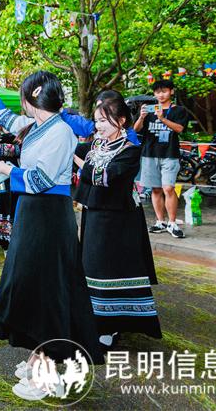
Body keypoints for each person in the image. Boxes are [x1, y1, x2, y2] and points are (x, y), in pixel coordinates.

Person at [0, 60, 103, 399]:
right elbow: (0, 114)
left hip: (49, 217)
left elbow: (40, 180)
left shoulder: (61, 131)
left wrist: (5, 169)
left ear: (31, 98)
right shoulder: (37, 124)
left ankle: (47, 372)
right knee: (28, 285)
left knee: (45, 290)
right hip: (32, 214)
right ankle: (39, 359)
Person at [73, 96, 161, 349]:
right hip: (93, 215)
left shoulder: (130, 149)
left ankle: (110, 326)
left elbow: (104, 177)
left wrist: (78, 162)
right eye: (96, 120)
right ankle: (94, 320)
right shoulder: (96, 145)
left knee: (109, 269)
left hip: (118, 221)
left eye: (103, 120)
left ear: (121, 121)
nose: (98, 125)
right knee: (91, 267)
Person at [133, 79, 190, 238]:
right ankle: (160, 221)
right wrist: (141, 117)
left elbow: (179, 129)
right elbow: (135, 130)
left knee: (169, 188)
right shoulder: (148, 110)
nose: (161, 95)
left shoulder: (179, 110)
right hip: (149, 154)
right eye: (158, 92)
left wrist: (163, 118)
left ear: (171, 91)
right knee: (155, 189)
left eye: (164, 91)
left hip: (170, 155)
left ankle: (172, 222)